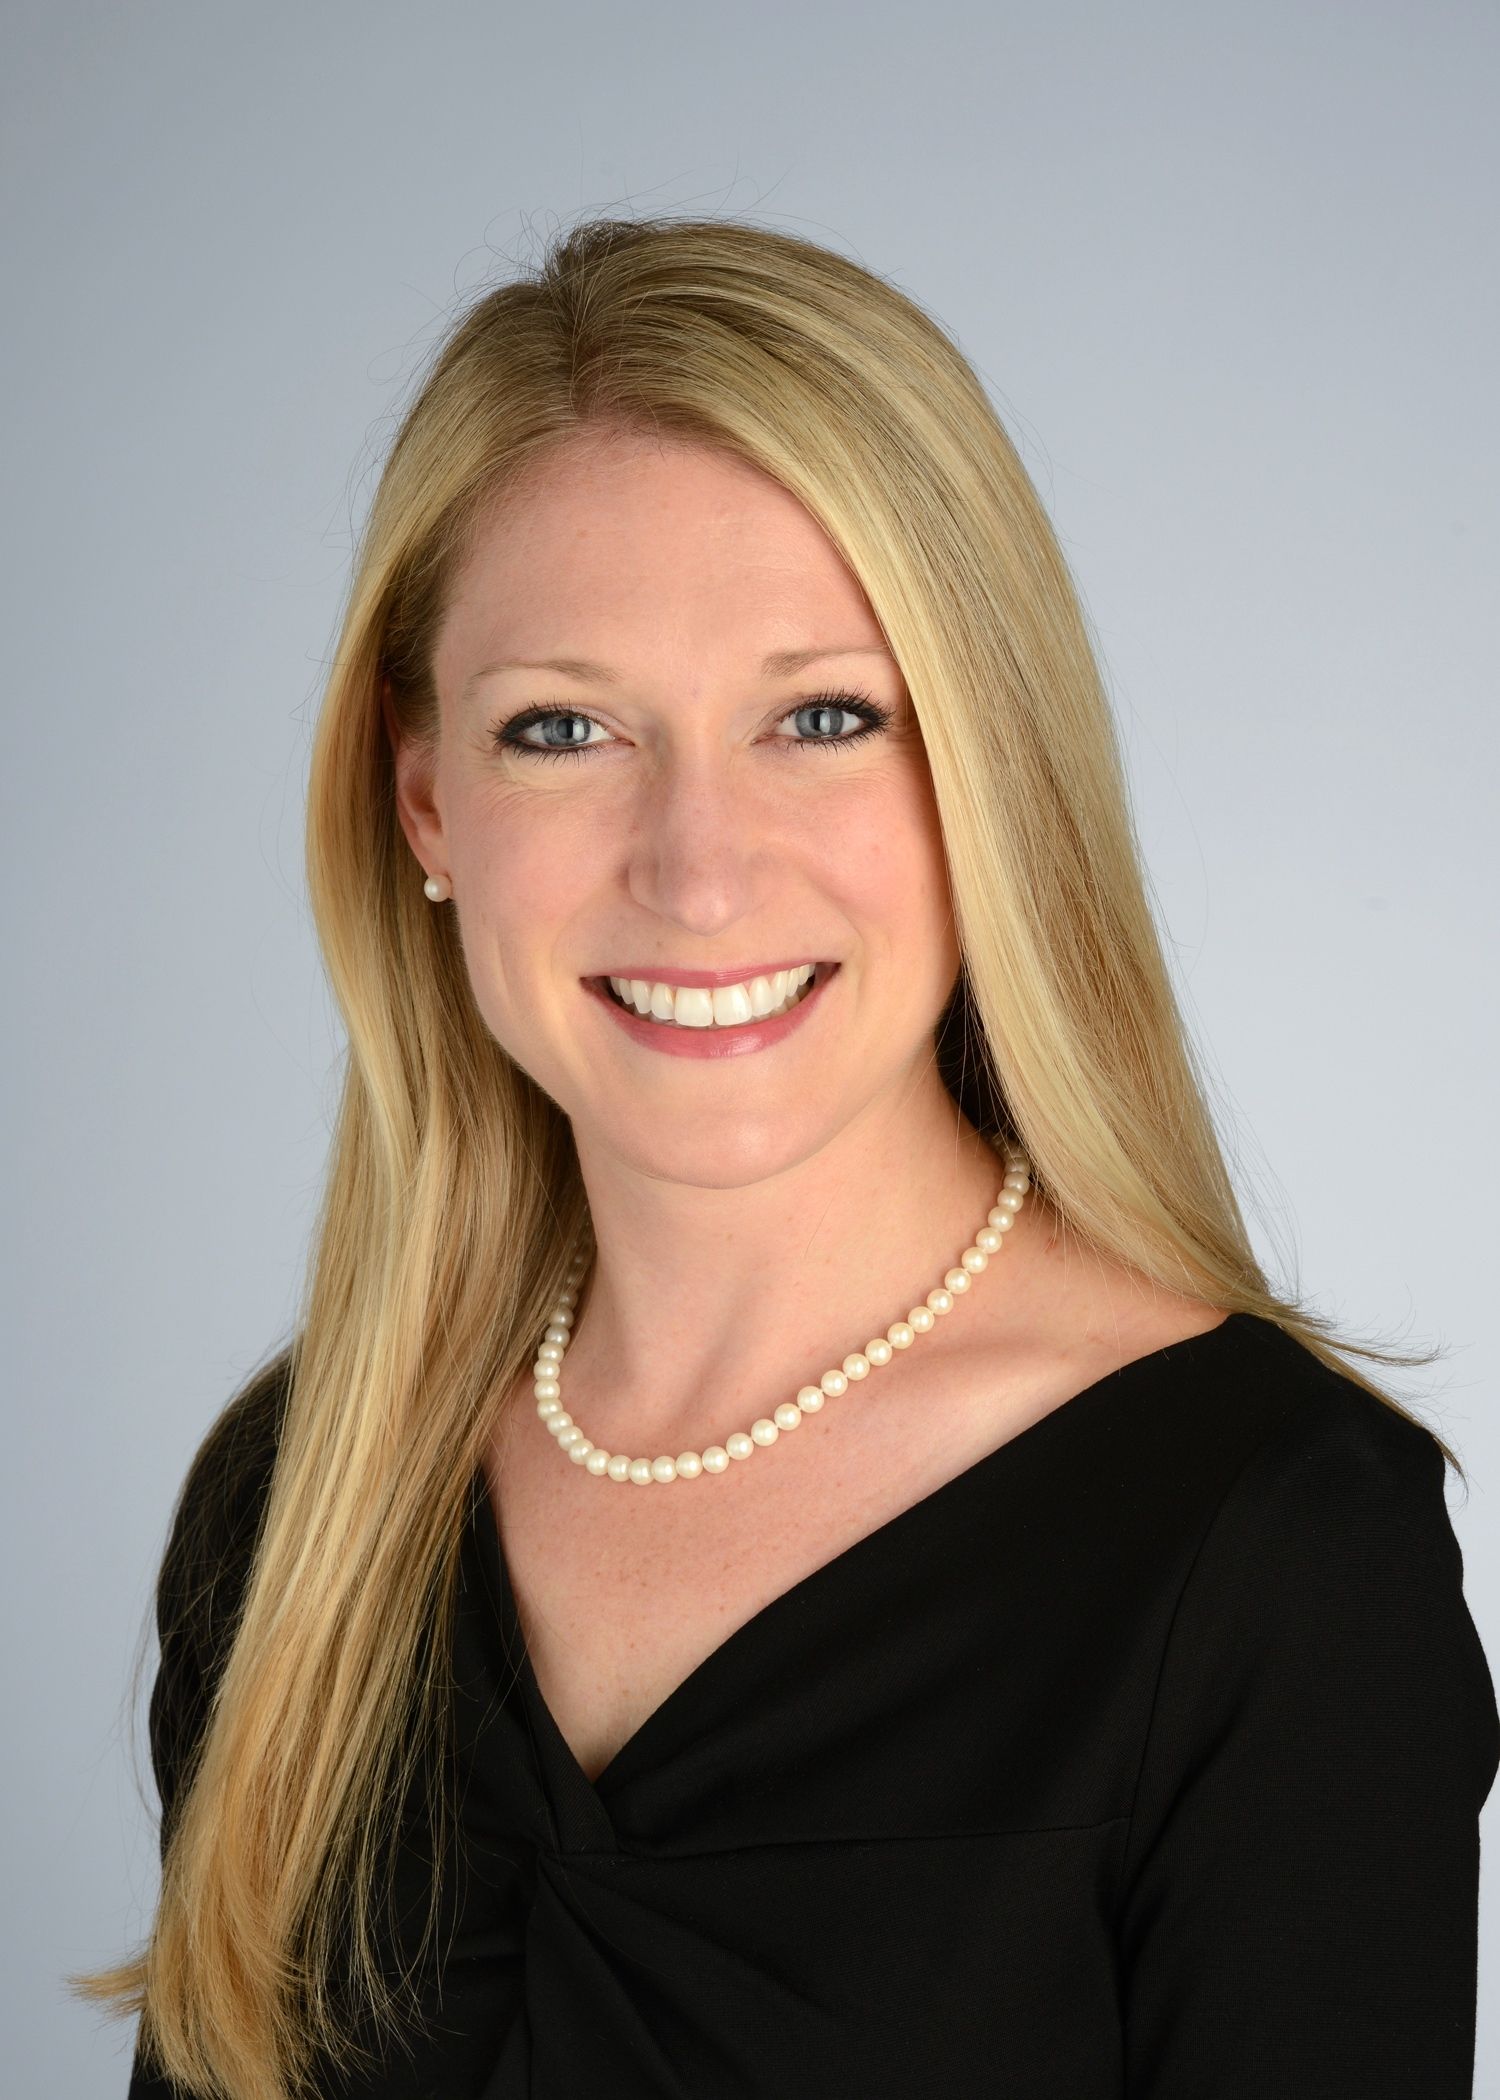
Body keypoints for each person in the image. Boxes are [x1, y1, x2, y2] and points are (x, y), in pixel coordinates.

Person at [77, 215, 1496, 2098]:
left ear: (990, 768)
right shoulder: (293, 1511)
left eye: (821, 717)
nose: (699, 870)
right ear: (426, 802)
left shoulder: (1279, 1559)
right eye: (563, 729)